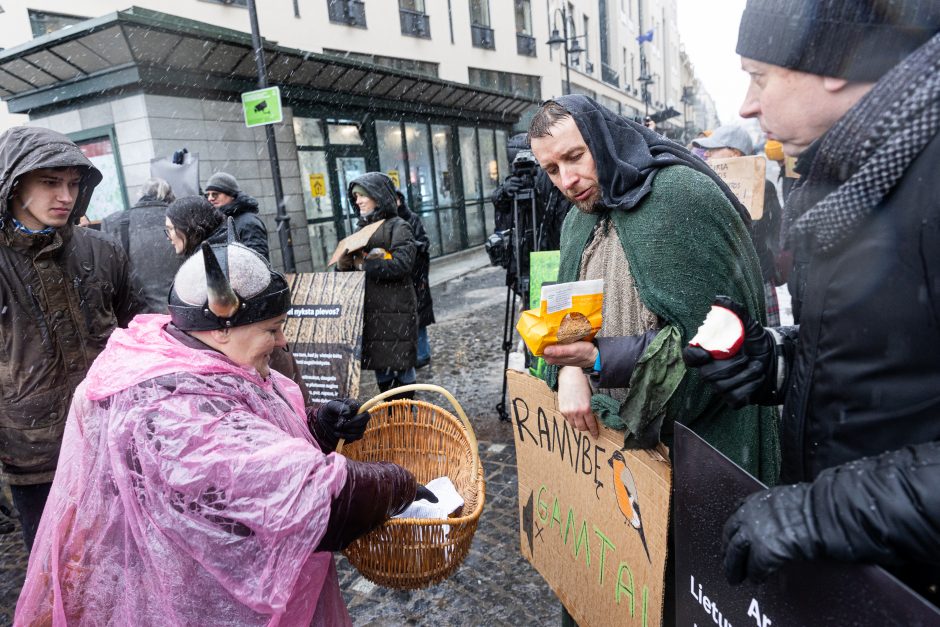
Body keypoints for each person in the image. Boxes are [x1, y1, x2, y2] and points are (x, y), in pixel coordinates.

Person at [15, 237, 435, 625]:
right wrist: (395, 487)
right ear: (221, 326)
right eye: (271, 329)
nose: (283, 341)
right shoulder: (170, 403)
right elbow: (302, 498)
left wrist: (317, 427)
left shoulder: (194, 358)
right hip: (195, 602)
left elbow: (241, 452)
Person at [682, 0, 940, 589]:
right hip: (875, 578)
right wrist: (775, 363)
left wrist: (824, 511)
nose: (747, 104)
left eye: (760, 75)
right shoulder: (856, 170)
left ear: (837, 61)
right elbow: (897, 362)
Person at [528, 95, 778, 485]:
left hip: (699, 448)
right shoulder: (578, 222)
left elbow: (715, 346)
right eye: (552, 169)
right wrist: (567, 372)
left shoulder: (679, 197)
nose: (567, 180)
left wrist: (597, 359)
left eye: (575, 156)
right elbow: (566, 318)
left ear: (604, 139)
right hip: (612, 451)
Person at [0, 126, 139, 550]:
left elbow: (140, 340)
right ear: (14, 182)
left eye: (73, 183)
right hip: (36, 456)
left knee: (127, 562)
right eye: (49, 182)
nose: (65, 195)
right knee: (59, 571)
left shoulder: (102, 251)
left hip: (112, 439)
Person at [336, 173, 418, 399]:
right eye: (355, 197)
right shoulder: (360, 228)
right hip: (373, 314)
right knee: (382, 372)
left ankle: (406, 421)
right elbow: (349, 274)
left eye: (363, 195)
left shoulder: (398, 226)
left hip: (396, 311)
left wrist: (365, 265)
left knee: (401, 372)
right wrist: (344, 264)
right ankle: (392, 419)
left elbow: (403, 264)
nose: (358, 201)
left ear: (379, 197)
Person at [694, 124, 785, 325]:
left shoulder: (763, 187)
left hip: (758, 279)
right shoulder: (706, 185)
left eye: (714, 149)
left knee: (763, 342)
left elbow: (774, 234)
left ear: (734, 153)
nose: (707, 154)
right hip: (720, 282)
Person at [489, 134, 572, 295]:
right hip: (524, 257)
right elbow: (500, 207)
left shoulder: (552, 179)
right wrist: (505, 191)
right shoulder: (513, 184)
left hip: (549, 255)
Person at [101, 178, 180, 314]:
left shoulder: (113, 222)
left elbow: (107, 274)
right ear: (170, 197)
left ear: (141, 195)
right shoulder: (182, 219)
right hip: (182, 315)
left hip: (137, 319)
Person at [396, 190, 435, 368]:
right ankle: (413, 355)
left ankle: (422, 354)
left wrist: (411, 246)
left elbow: (424, 244)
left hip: (416, 278)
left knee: (419, 318)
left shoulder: (412, 219)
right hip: (402, 279)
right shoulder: (387, 223)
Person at [204, 171, 269, 259]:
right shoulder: (217, 221)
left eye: (215, 194)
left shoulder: (249, 222)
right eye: (207, 195)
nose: (210, 198)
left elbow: (257, 261)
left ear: (231, 195)